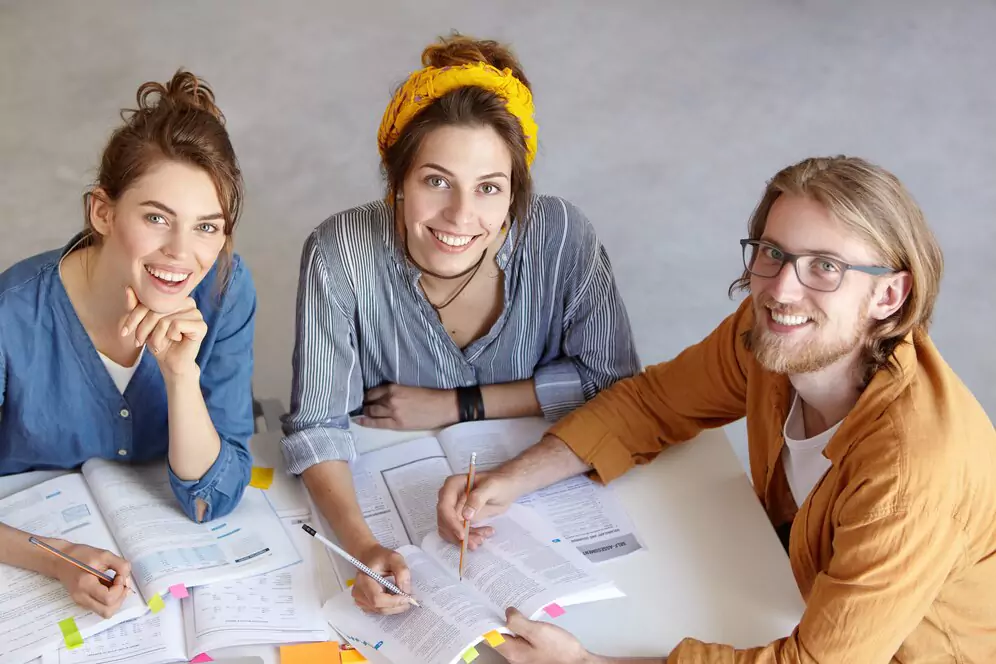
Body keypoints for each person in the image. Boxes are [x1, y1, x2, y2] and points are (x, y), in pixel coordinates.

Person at [438, 156, 996, 662]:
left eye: (825, 267)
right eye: (774, 253)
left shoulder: (910, 477)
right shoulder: (771, 339)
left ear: (888, 296)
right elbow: (653, 404)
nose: (781, 290)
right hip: (792, 590)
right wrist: (509, 480)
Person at [281, 33, 640, 616]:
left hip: (536, 497)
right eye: (436, 181)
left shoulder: (561, 235)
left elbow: (617, 385)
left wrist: (459, 404)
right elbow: (317, 426)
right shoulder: (339, 250)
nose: (460, 215)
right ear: (397, 181)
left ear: (514, 195)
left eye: (489, 189)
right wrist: (364, 546)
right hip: (393, 486)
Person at [0, 70, 256, 619]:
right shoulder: (10, 315)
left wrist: (181, 378)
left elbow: (215, 496)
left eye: (207, 227)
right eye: (157, 218)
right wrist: (58, 556)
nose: (180, 253)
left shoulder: (227, 289)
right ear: (103, 212)